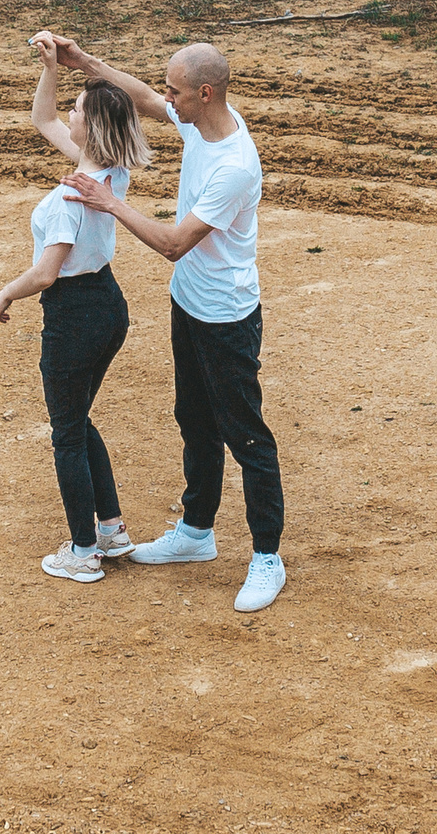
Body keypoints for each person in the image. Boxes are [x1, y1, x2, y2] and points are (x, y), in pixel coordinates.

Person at [57, 37, 287, 615]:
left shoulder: (234, 166)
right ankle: (196, 532)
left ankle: (267, 556)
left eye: (175, 92)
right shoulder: (202, 123)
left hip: (227, 318)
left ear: (204, 93)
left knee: (246, 437)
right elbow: (142, 99)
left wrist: (109, 202)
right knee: (194, 419)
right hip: (190, 304)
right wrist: (85, 63)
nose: (166, 101)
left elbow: (174, 244)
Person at [0, 33, 152, 583]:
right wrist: (52, 67)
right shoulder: (108, 173)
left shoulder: (70, 196)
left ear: (91, 129)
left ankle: (83, 551)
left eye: (77, 110)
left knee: (66, 432)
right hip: (108, 306)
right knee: (78, 419)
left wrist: (5, 292)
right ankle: (111, 530)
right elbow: (43, 119)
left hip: (73, 315)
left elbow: (45, 274)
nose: (69, 114)